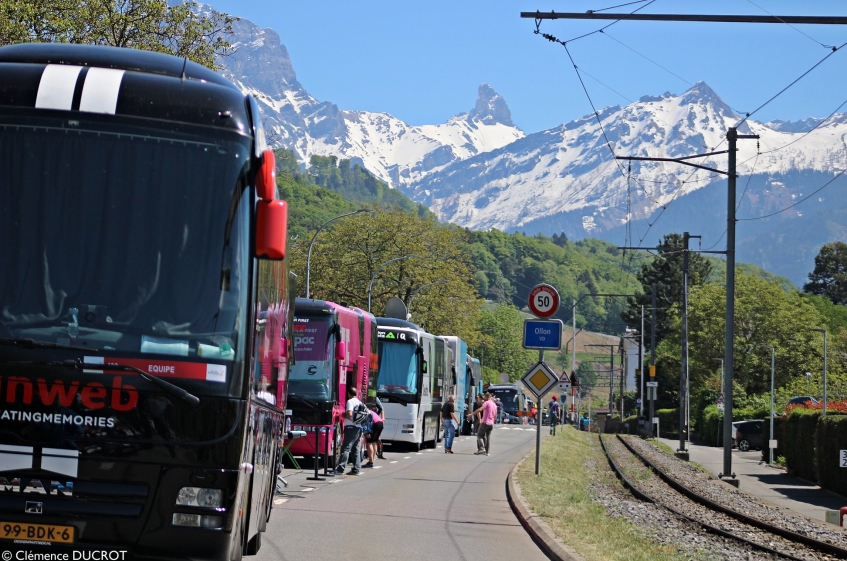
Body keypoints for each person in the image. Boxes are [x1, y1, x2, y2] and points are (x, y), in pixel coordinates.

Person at [333, 386, 366, 476]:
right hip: (358, 427)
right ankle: (356, 469)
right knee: (355, 449)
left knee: (345, 448)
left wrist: (343, 415)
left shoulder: (350, 401)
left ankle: (340, 469)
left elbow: (349, 414)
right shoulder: (360, 402)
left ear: (348, 393)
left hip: (351, 427)